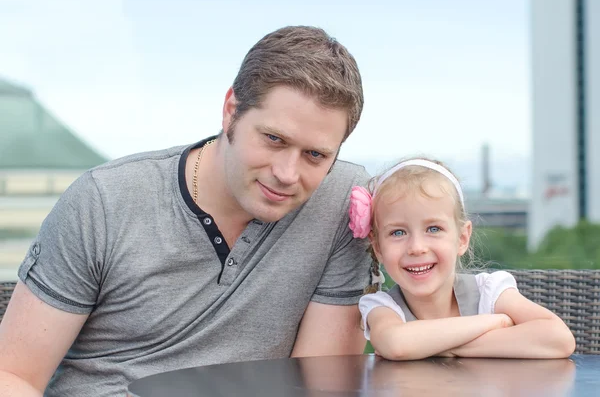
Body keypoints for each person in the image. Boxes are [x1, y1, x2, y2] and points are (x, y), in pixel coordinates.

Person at [0, 26, 372, 396]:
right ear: (231, 112)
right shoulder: (104, 202)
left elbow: (319, 385)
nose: (287, 175)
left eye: (316, 155)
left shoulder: (342, 201)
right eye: (274, 139)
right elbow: (12, 376)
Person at [349, 157, 576, 360]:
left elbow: (559, 339)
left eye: (434, 229)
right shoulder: (383, 306)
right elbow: (396, 344)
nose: (416, 248)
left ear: (462, 238)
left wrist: (436, 347)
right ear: (377, 247)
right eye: (398, 232)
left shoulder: (488, 293)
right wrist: (491, 323)